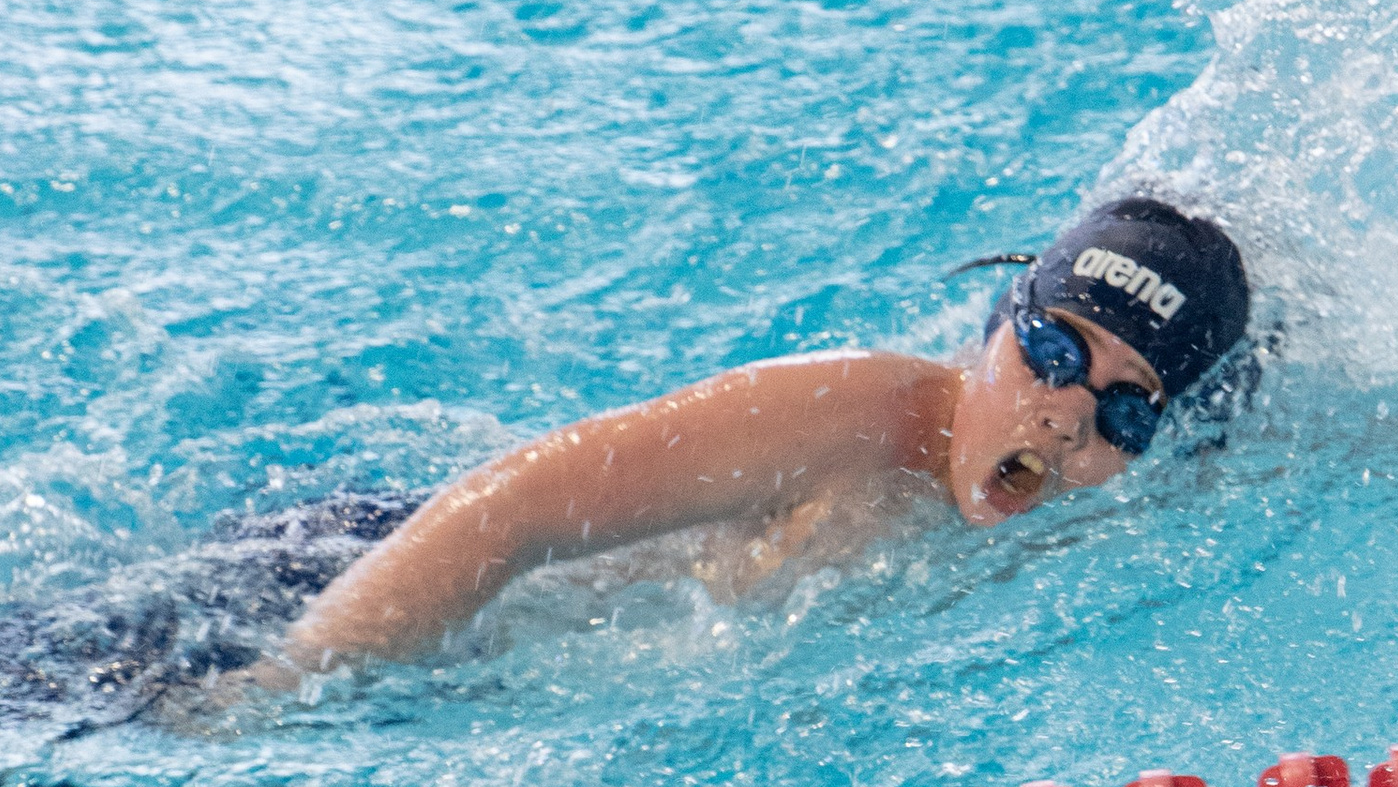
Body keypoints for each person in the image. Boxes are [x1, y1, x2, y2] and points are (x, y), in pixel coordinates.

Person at [256, 195, 1251, 675]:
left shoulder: (1109, 502)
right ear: (996, 323)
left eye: (1126, 407)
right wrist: (277, 689)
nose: (1066, 415)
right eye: (1056, 354)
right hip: (347, 584)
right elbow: (509, 511)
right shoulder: (854, 418)